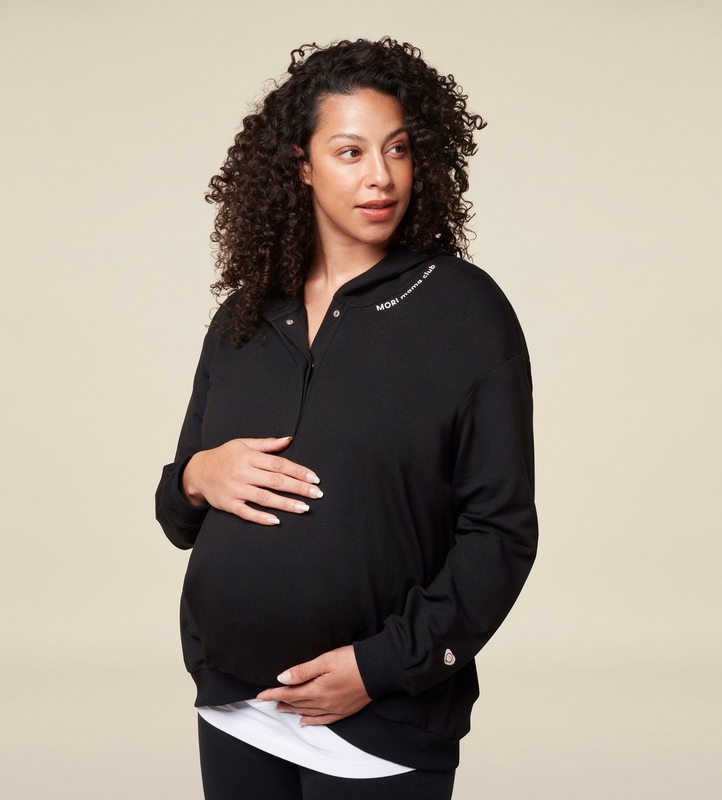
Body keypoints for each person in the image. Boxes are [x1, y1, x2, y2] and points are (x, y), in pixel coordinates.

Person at [155, 37, 538, 800]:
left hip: (379, 723)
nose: (381, 176)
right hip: (235, 705)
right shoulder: (244, 318)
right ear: (302, 165)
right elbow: (177, 513)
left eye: (397, 149)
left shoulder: (464, 310)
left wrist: (381, 666)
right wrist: (196, 475)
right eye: (351, 151)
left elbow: (500, 534)